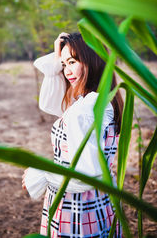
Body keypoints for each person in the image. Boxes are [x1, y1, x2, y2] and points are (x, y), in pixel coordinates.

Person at [22, 32, 123, 237]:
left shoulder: (85, 109)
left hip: (78, 205)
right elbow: (49, 103)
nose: (67, 71)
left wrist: (40, 174)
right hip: (98, 200)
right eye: (64, 64)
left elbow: (85, 175)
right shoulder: (97, 100)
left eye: (73, 62)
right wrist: (56, 57)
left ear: (92, 60)